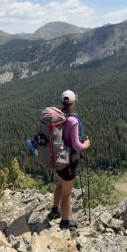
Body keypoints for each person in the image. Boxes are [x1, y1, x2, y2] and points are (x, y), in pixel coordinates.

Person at [47, 89, 91, 230]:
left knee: (60, 184)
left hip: (58, 158)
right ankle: (65, 222)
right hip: (68, 162)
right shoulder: (72, 121)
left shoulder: (59, 116)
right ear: (74, 102)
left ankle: (55, 210)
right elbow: (76, 145)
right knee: (67, 194)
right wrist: (86, 144)